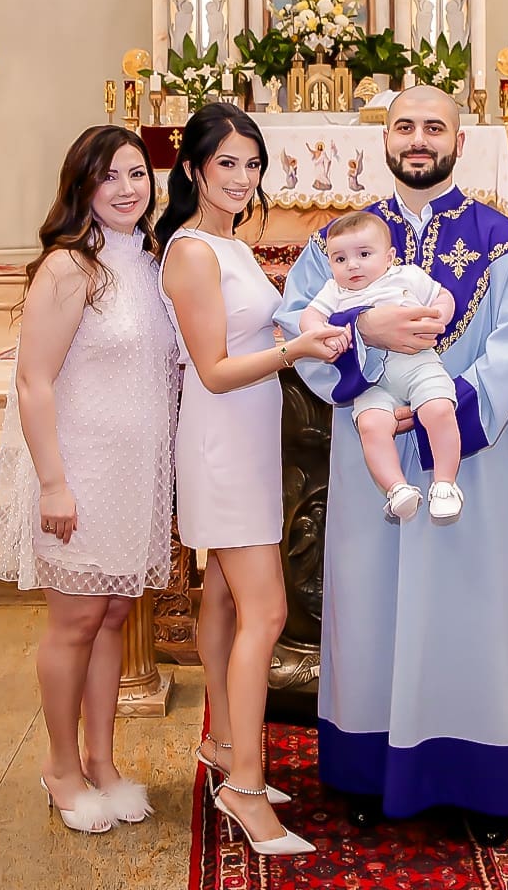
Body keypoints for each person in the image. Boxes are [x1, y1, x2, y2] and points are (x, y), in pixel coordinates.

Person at [277, 84, 508, 846]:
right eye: (405, 126)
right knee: (369, 612)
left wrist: (446, 413)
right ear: (384, 140)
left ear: (462, 141)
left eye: (436, 126)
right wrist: (367, 336)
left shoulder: (505, 241)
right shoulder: (336, 241)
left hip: (471, 462)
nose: (419, 138)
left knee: (473, 614)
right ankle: (367, 772)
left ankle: (484, 783)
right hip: (372, 459)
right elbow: (294, 324)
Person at [155, 102, 348, 858]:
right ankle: (243, 784)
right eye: (227, 163)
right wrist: (295, 348)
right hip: (222, 444)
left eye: (252, 164)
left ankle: (225, 747)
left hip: (246, 439)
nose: (242, 177)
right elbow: (212, 369)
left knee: (229, 603)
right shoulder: (193, 252)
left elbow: (246, 334)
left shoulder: (228, 244)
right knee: (265, 614)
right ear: (196, 167)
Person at [0, 126, 178, 833]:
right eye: (110, 178)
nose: (128, 189)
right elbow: (34, 381)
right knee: (73, 623)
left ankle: (103, 761)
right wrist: (54, 483)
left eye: (138, 174)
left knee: (112, 618)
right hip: (81, 472)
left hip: (134, 475)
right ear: (82, 189)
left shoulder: (149, 261)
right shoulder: (71, 267)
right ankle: (60, 765)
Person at [299, 211, 462, 522]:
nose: (352, 265)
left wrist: (439, 313)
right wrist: (321, 333)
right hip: (371, 379)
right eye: (340, 259)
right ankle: (397, 488)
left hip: (417, 364)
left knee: (438, 409)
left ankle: (445, 483)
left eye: (363, 254)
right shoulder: (335, 291)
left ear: (389, 258)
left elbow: (443, 295)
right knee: (372, 426)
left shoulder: (406, 276)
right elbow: (310, 317)